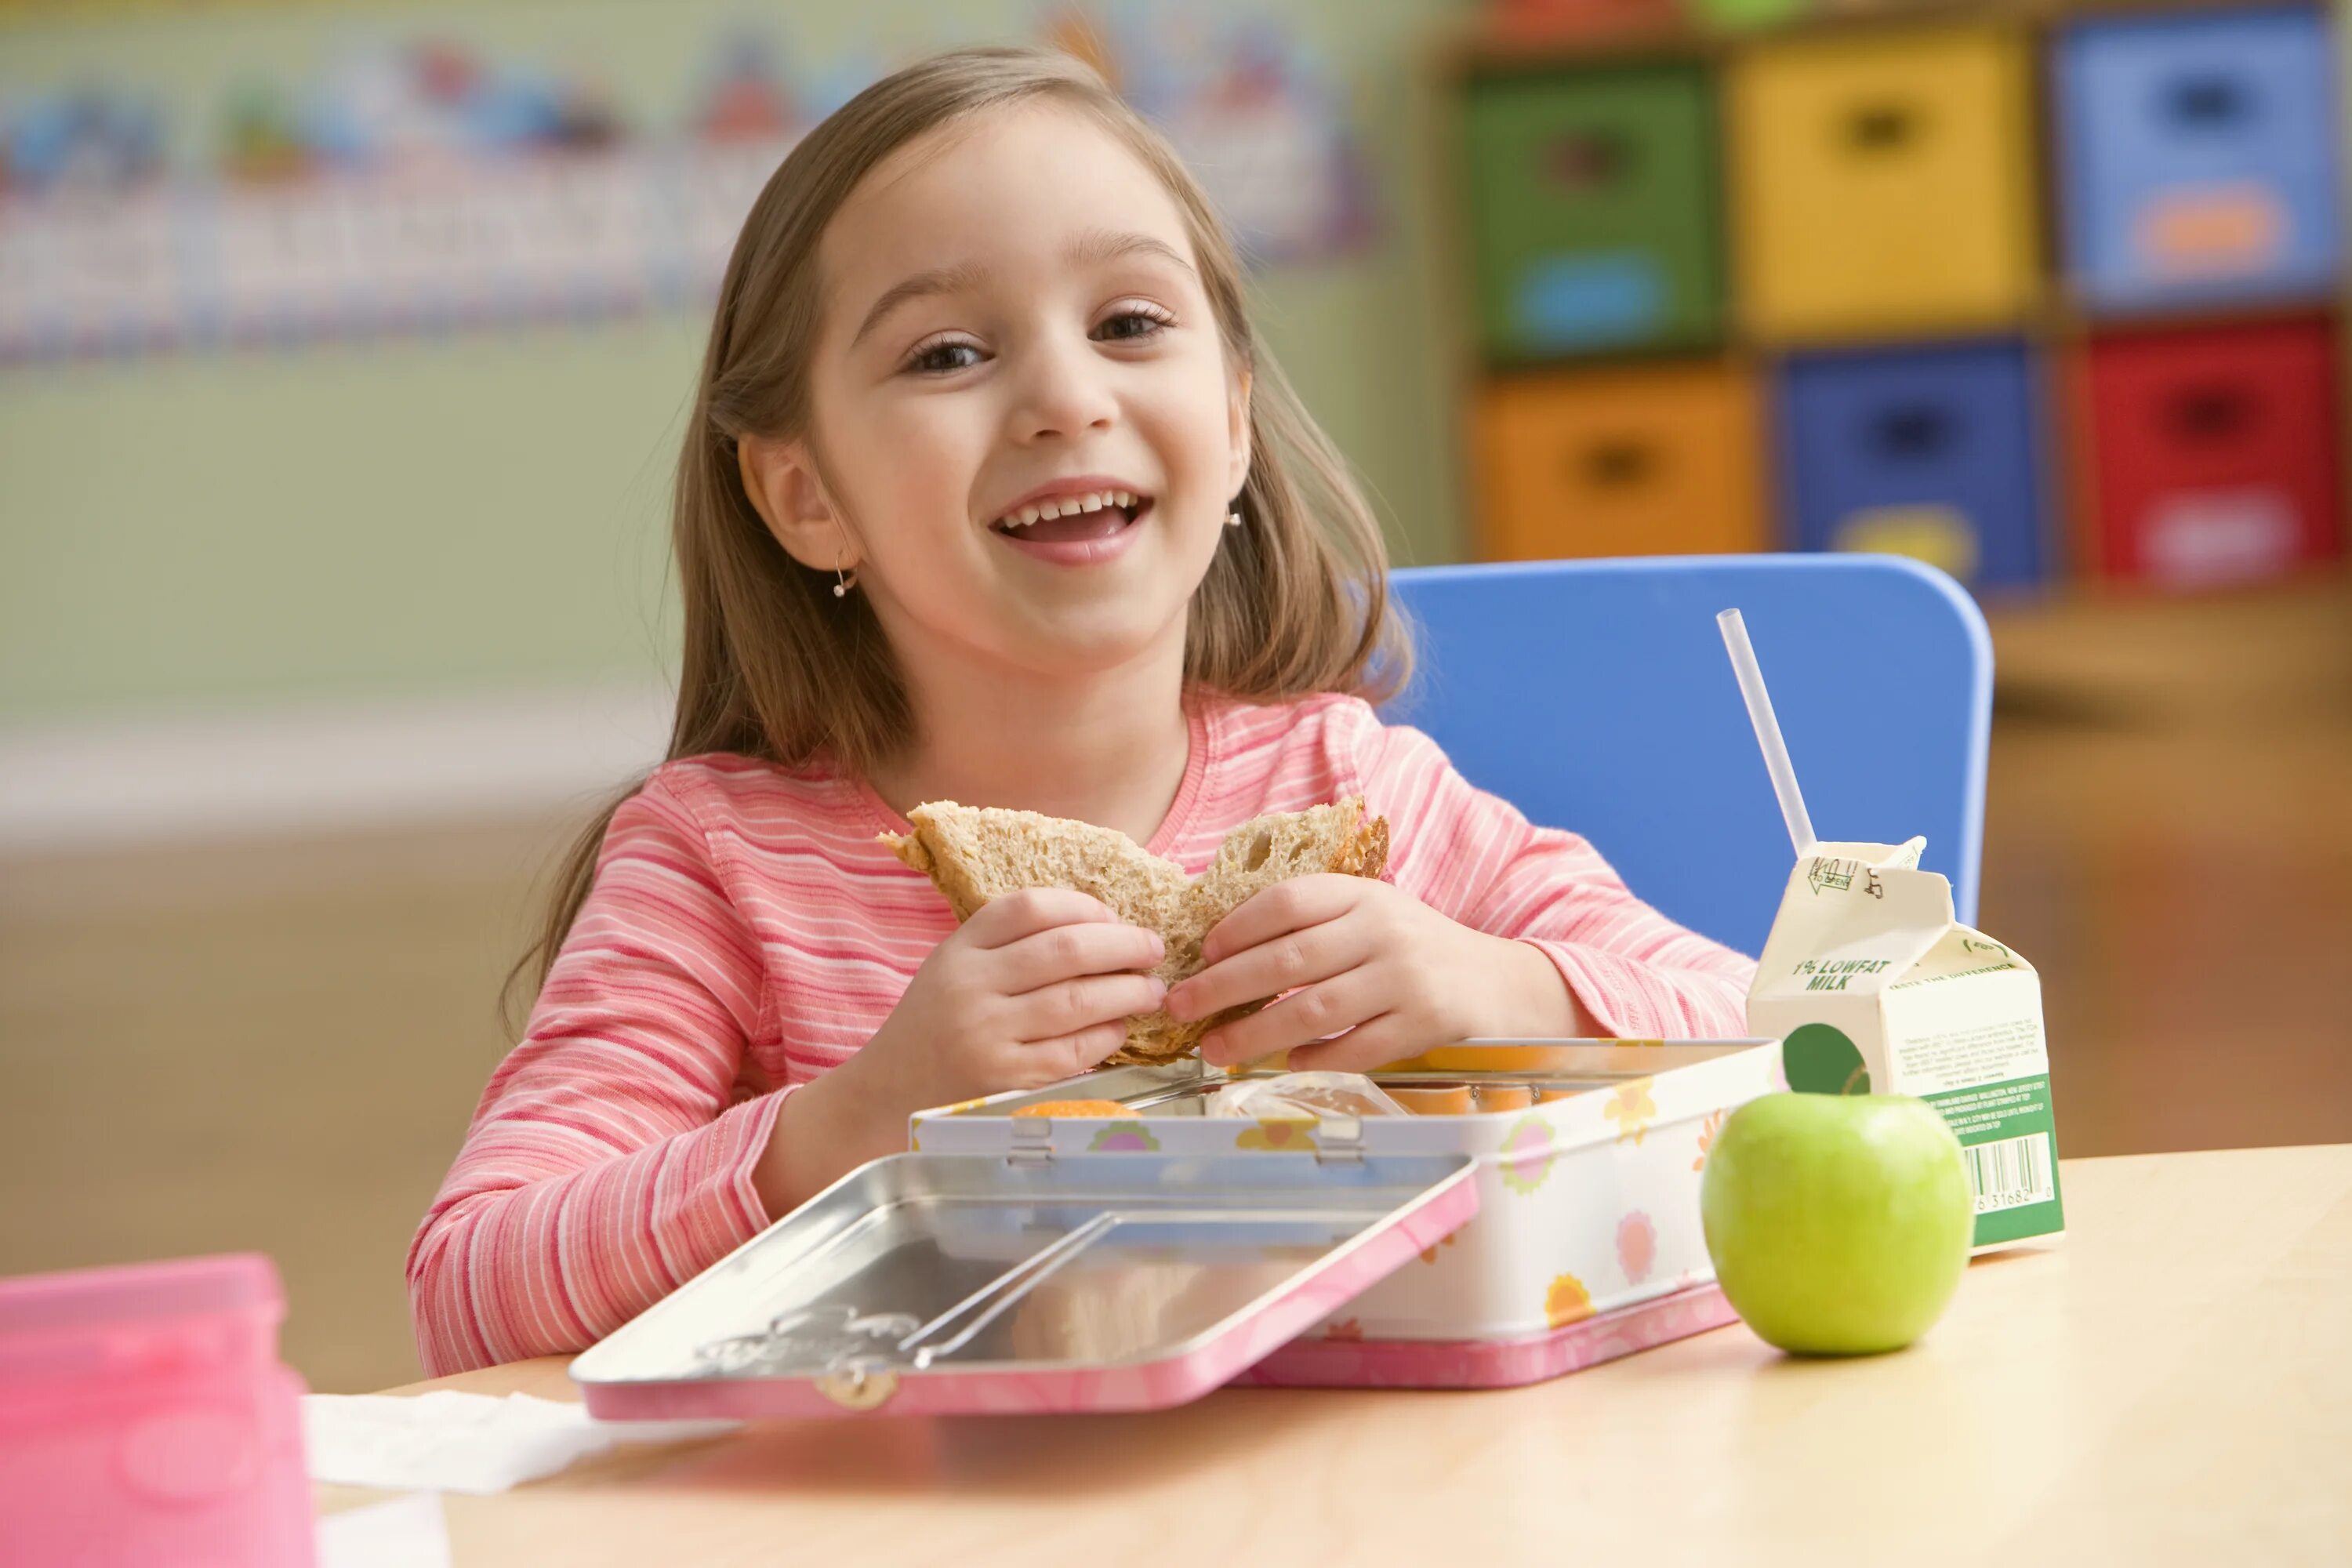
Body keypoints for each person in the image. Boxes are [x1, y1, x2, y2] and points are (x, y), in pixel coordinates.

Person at [408, 46, 1755, 1376]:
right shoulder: (718, 863)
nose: (1065, 398)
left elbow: (1767, 1022)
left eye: (1128, 324)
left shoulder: (1352, 792)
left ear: (1230, 422)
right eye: (947, 353)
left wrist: (1510, 987)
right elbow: (474, 1282)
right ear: (806, 496)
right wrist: (853, 1124)